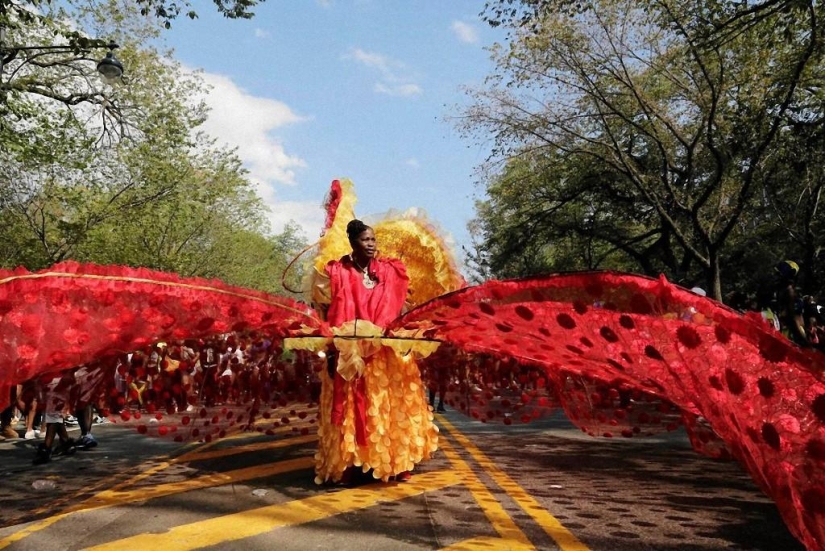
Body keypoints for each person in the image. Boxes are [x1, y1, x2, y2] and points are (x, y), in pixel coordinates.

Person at [310, 219, 439, 485]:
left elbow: (403, 305)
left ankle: (395, 462)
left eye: (373, 240)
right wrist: (331, 346)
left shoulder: (392, 270)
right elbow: (323, 311)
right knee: (353, 410)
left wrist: (411, 330)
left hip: (387, 354)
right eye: (365, 240)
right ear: (352, 242)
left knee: (391, 407)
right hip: (351, 354)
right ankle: (352, 464)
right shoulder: (335, 272)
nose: (371, 245)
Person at [774, 260, 808, 346]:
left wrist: (802, 341)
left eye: (779, 274)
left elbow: (793, 317)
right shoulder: (781, 289)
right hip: (784, 327)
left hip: (791, 331)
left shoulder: (789, 291)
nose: (776, 276)